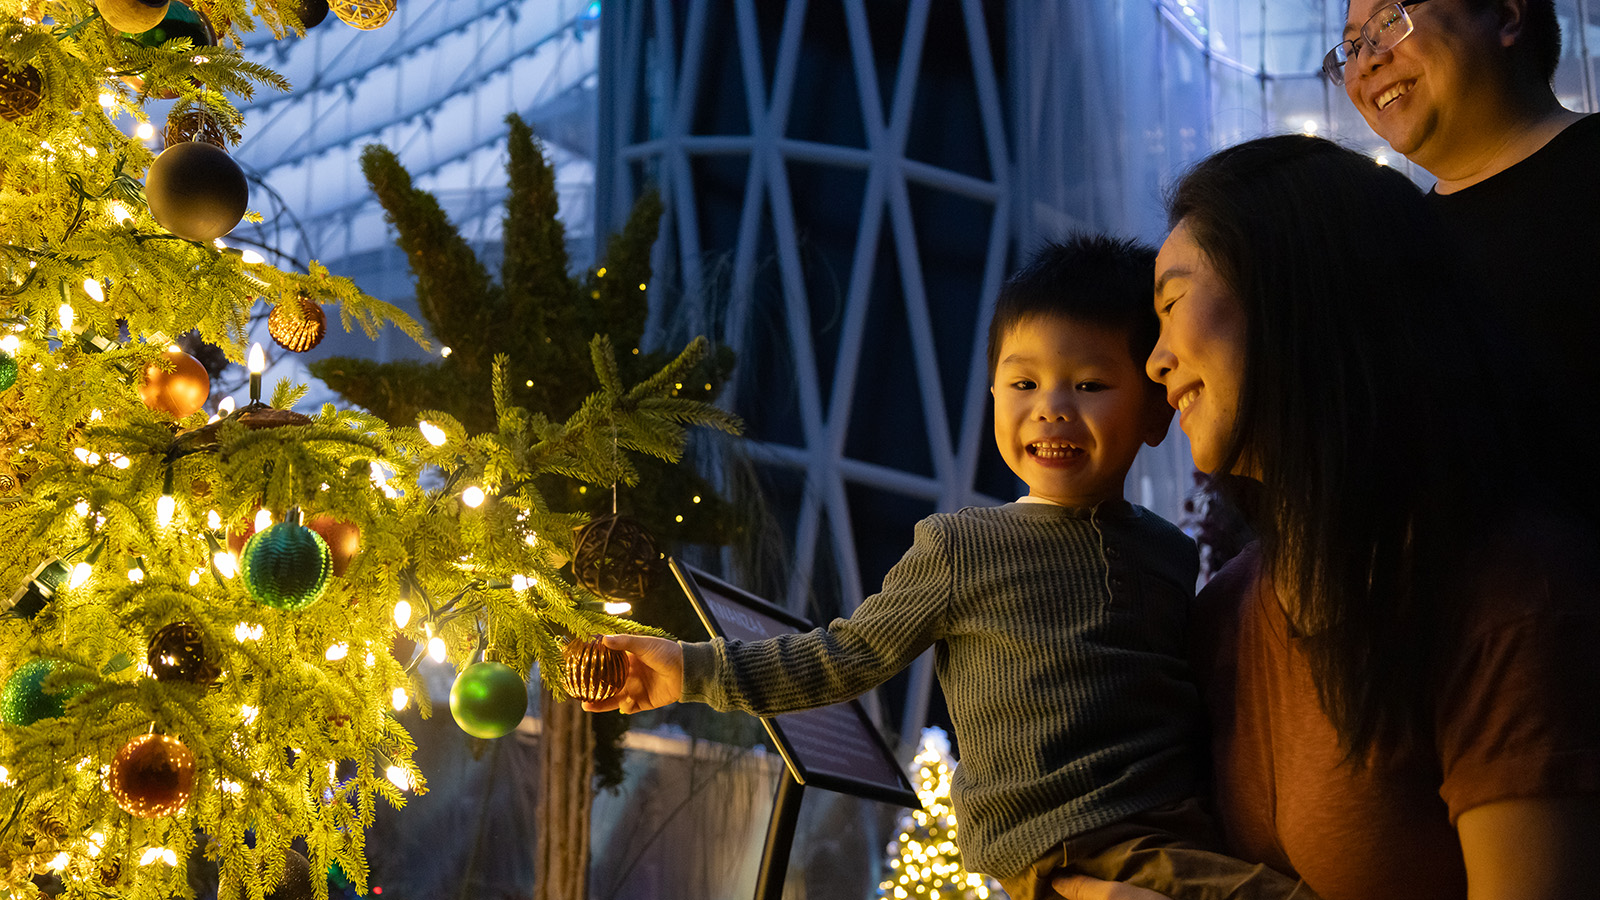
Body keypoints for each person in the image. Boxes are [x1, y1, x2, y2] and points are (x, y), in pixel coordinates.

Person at [584, 236, 1316, 900]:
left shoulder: (1168, 552)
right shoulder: (961, 546)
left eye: (1089, 385)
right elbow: (844, 655)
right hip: (1068, 838)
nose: (1052, 409)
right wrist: (685, 668)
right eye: (1024, 383)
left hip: (1167, 832)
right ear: (992, 395)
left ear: (1158, 409)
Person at [1054, 134, 1600, 900]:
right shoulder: (1228, 611)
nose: (1155, 360)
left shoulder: (1510, 600)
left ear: (1297, 290)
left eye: (1172, 304)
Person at [1331, 0, 1600, 505]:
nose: (1365, 61)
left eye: (1389, 20)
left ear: (1505, 15)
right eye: (1350, 45)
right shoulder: (1390, 250)